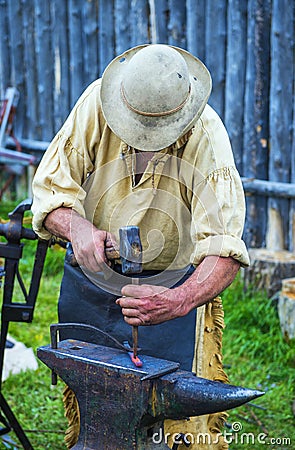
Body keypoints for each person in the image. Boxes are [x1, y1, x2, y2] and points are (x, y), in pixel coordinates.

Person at [32, 44, 250, 450]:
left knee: (174, 428)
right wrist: (78, 228)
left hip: (172, 289)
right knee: (94, 413)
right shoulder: (96, 104)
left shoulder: (206, 135)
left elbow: (224, 248)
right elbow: (49, 190)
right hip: (91, 280)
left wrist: (179, 299)